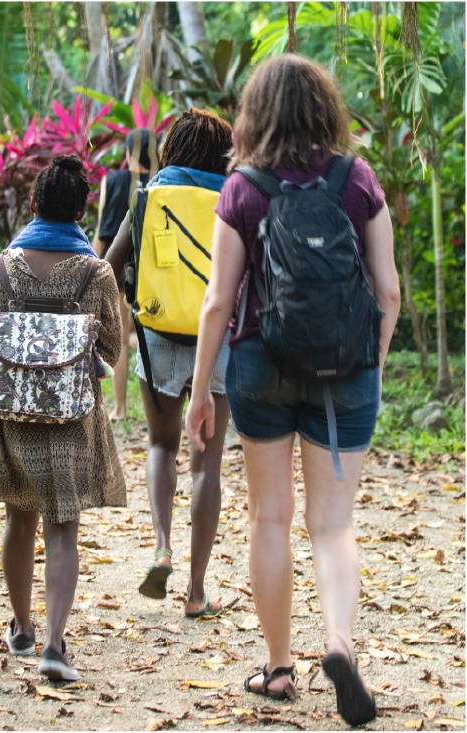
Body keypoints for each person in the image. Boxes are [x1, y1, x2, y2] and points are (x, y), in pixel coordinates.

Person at [185, 54, 400, 725]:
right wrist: (370, 363)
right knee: (332, 524)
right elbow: (387, 289)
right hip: (345, 370)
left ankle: (278, 668)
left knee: (268, 517)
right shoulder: (356, 178)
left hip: (260, 368)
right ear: (323, 108)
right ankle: (337, 642)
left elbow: (219, 301)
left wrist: (198, 394)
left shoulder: (242, 188)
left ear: (255, 112)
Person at [0, 155, 126, 682]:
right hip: (70, 418)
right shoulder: (96, 271)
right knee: (64, 526)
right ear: (81, 211)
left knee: (20, 517)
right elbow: (111, 343)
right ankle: (56, 646)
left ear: (34, 205)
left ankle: (21, 629)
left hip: (11, 414)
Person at [106, 109, 233, 617]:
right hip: (219, 340)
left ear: (172, 148)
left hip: (157, 336)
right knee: (208, 465)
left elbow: (110, 266)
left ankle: (161, 546)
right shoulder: (233, 198)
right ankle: (197, 591)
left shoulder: (148, 196)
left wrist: (133, 306)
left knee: (161, 445)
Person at [93, 128, 156, 419]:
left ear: (129, 152)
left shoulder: (112, 179)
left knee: (119, 340)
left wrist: (94, 267)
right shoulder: (158, 184)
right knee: (147, 338)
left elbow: (102, 232)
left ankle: (119, 408)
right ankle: (154, 405)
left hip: (117, 270)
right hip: (150, 271)